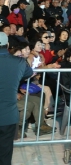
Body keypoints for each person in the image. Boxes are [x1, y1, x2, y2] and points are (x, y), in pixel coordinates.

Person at [1, 32, 34, 162]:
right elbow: (29, 72)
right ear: (8, 45)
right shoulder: (19, 62)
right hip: (8, 116)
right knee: (5, 155)